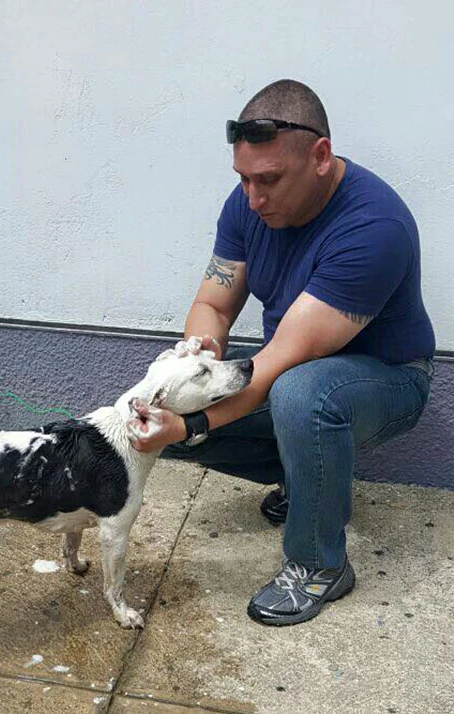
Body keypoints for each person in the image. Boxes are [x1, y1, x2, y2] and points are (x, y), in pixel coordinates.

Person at [130, 79, 435, 626]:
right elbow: (213, 305)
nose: (253, 198)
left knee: (300, 398)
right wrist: (198, 354)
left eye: (269, 180)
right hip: (297, 373)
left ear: (320, 156)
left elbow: (278, 366)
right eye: (243, 179)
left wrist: (191, 425)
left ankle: (320, 564)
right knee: (163, 405)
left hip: (387, 381)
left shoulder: (373, 227)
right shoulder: (249, 205)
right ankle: (308, 482)